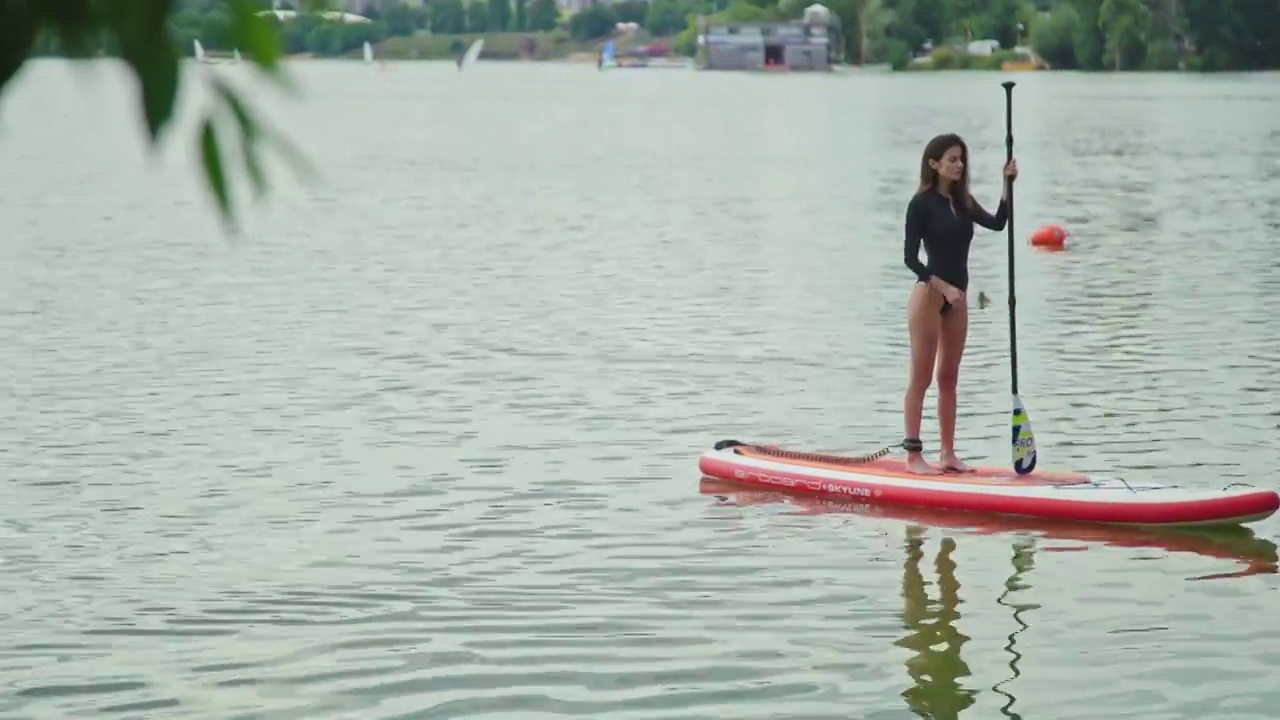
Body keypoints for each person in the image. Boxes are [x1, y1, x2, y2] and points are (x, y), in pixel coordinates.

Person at [901, 133, 1017, 475]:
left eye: (962, 159)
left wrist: (1006, 185)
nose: (959, 164)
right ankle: (913, 457)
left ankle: (948, 454)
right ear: (934, 164)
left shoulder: (963, 201)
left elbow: (998, 223)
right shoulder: (920, 203)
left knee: (949, 378)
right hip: (929, 295)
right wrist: (943, 287)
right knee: (920, 378)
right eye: (952, 159)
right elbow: (910, 259)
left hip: (959, 299)